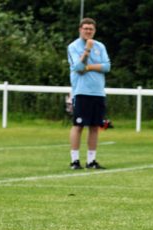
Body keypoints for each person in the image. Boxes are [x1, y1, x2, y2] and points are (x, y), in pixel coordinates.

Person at [67, 18, 111, 170]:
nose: (88, 31)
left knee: (94, 126)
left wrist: (89, 67)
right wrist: (86, 50)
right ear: (80, 29)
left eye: (90, 29)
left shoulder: (100, 46)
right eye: (85, 28)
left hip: (98, 92)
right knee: (78, 125)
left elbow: (107, 67)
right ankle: (75, 160)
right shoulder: (73, 46)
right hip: (81, 91)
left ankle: (91, 161)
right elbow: (78, 67)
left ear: (94, 30)